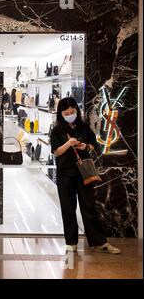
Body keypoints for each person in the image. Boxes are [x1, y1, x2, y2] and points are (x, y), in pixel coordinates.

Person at [50, 97, 121, 254]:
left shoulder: (83, 127)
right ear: (61, 114)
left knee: (89, 206)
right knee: (68, 208)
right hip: (65, 174)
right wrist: (68, 144)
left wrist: (85, 145)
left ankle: (98, 242)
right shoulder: (57, 130)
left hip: (84, 173)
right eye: (66, 112)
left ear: (77, 110)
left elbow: (94, 145)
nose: (70, 114)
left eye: (72, 111)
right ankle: (71, 242)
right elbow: (56, 152)